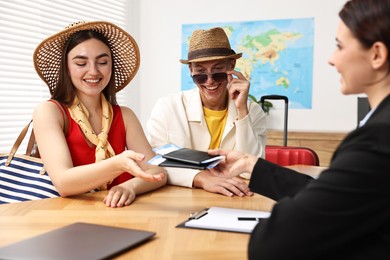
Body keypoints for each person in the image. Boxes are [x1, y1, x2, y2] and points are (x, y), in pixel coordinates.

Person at [208, 0, 390, 258]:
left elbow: (273, 241)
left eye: (339, 46)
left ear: (377, 55)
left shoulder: (377, 139)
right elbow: (334, 197)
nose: (331, 59)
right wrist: (252, 164)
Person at [32, 21, 167, 208]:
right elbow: (64, 183)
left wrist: (130, 187)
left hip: (127, 217)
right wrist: (118, 164)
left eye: (102, 62)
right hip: (71, 221)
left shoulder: (125, 116)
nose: (94, 71)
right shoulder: (50, 112)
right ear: (67, 68)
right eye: (81, 63)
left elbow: (158, 171)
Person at [146, 27, 267, 197]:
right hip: (179, 199)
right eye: (200, 74)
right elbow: (153, 163)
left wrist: (241, 111)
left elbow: (251, 171)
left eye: (218, 73)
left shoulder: (252, 112)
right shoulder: (167, 107)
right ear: (191, 70)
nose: (210, 81)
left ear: (231, 66)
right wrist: (201, 178)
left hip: (235, 198)